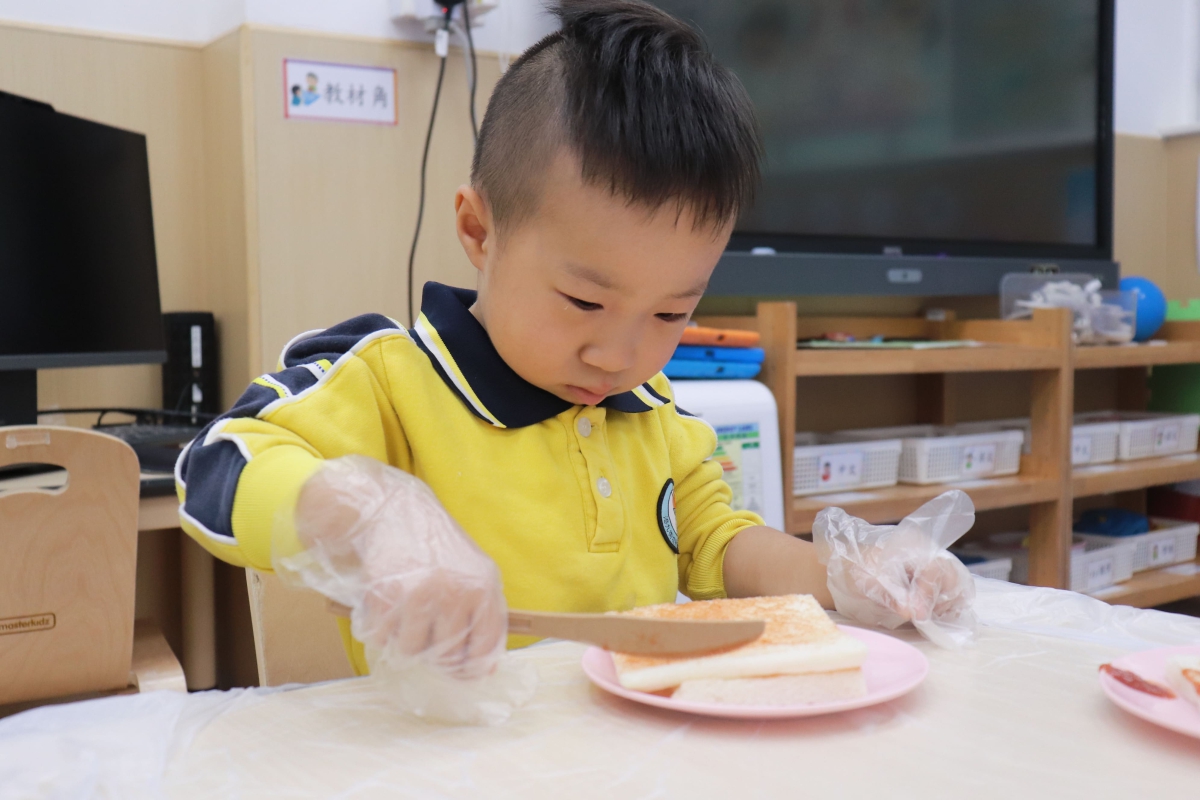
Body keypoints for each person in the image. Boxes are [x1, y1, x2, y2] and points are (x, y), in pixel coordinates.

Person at [177, 0, 969, 680]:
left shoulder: (650, 407)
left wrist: (843, 574)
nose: (619, 357)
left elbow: (717, 543)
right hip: (449, 758)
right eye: (585, 301)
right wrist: (370, 514)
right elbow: (215, 465)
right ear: (479, 231)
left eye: (670, 314)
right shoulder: (390, 378)